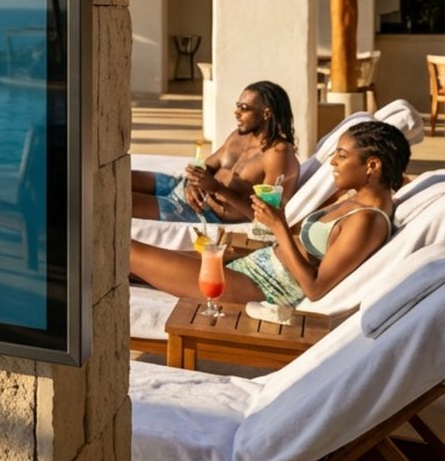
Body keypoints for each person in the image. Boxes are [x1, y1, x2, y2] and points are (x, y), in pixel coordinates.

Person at [130, 121, 408, 307]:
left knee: (125, 251)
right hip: (251, 266)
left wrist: (279, 227)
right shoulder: (354, 199)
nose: (333, 162)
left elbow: (315, 288)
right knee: (129, 267)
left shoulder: (367, 220)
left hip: (261, 287)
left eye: (342, 156)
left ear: (372, 165)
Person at [130, 80, 299, 223]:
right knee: (123, 178)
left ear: (266, 113)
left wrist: (217, 189)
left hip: (200, 212)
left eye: (244, 108)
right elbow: (206, 166)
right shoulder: (239, 136)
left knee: (123, 202)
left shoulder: (278, 155)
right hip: (185, 188)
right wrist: (192, 183)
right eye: (238, 106)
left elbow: (267, 217)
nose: (236, 112)